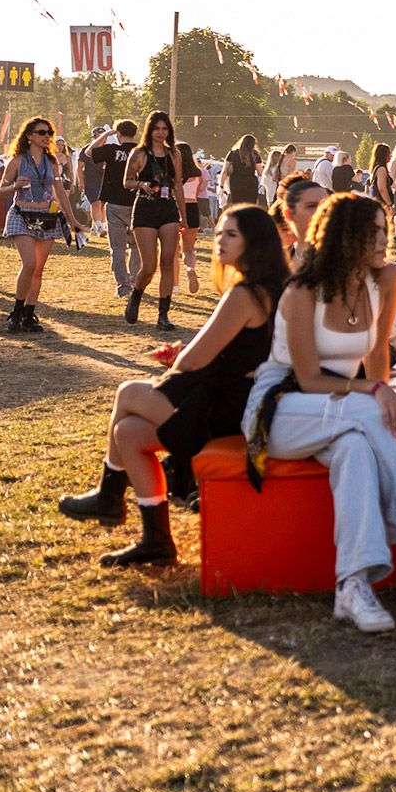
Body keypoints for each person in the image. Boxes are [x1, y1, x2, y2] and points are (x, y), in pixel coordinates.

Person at [242, 192, 396, 633]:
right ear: (346, 236)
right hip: (282, 409)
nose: (384, 239)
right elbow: (309, 379)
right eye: (373, 232)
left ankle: (352, 585)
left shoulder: (384, 278)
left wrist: (380, 387)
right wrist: (375, 391)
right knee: (370, 413)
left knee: (356, 452)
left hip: (342, 411)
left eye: (385, 229)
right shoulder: (301, 291)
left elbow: (376, 356)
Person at [57, 203, 290, 565]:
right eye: (221, 232)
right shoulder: (277, 288)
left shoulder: (245, 294)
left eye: (231, 235)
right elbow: (244, 351)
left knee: (129, 392)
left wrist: (177, 358)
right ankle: (156, 540)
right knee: (131, 433)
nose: (219, 241)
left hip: (232, 409)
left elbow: (192, 361)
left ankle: (109, 496)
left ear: (254, 243)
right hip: (247, 402)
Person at [0, 117, 84, 333]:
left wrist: (71, 219)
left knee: (38, 269)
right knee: (30, 263)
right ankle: (16, 312)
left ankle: (28, 314)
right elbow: (1, 191)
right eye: (42, 132)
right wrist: (15, 185)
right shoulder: (16, 161)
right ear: (29, 135)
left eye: (49, 133)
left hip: (46, 216)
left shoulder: (52, 162)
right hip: (22, 214)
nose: (46, 137)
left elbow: (60, 191)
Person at [121, 112, 190, 331]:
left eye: (165, 129)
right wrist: (141, 185)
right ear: (150, 130)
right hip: (145, 209)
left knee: (168, 261)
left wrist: (184, 218)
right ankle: (136, 294)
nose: (161, 133)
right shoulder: (139, 154)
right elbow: (127, 181)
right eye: (157, 129)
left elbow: (177, 185)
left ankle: (163, 314)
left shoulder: (174, 154)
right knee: (149, 266)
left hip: (168, 209)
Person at [86, 119, 140, 298]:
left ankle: (123, 287)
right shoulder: (140, 151)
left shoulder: (112, 150)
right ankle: (135, 283)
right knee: (136, 246)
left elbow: (88, 152)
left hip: (115, 204)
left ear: (118, 134)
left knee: (118, 248)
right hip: (137, 203)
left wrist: (105, 135)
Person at [179, 140, 208, 293]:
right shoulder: (198, 174)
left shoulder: (175, 173)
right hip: (192, 208)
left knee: (171, 247)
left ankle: (174, 283)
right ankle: (190, 267)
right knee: (189, 248)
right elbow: (196, 194)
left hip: (177, 207)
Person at [226, 134, 263, 207]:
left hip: (236, 182)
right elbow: (260, 172)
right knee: (250, 205)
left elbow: (225, 170)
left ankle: (239, 217)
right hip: (250, 182)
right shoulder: (255, 154)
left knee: (237, 205)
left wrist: (222, 185)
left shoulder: (233, 153)